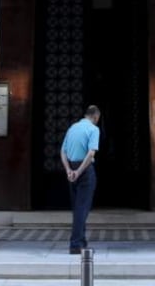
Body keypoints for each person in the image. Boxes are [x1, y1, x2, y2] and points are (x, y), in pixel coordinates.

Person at [60, 105, 101, 254]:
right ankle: (76, 244)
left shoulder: (72, 128)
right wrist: (78, 171)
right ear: (96, 117)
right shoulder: (93, 129)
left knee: (78, 208)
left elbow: (63, 152)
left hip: (71, 170)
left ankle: (81, 242)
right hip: (84, 171)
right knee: (82, 209)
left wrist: (69, 170)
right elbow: (91, 154)